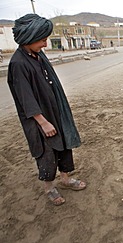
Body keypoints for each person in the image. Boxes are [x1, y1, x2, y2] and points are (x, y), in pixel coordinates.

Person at [7, 14, 86, 206]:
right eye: (42, 40)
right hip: (39, 119)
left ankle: (66, 179)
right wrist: (43, 122)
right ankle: (49, 188)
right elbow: (26, 99)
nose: (45, 43)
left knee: (64, 145)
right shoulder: (18, 64)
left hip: (54, 112)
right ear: (29, 38)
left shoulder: (38, 55)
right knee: (46, 152)